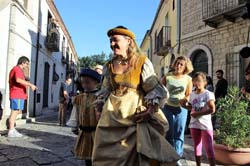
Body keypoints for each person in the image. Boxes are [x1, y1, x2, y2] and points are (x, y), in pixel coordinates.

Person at [92, 26, 179, 166]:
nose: (112, 44)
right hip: (111, 118)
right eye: (110, 41)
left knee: (138, 158)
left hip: (135, 117)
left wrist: (150, 111)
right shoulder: (109, 66)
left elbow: (154, 90)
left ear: (128, 41)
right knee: (107, 157)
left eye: (115, 40)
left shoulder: (141, 62)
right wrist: (99, 108)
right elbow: (105, 90)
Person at [161, 55, 193, 161]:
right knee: (169, 132)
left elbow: (188, 94)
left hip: (181, 108)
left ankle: (178, 157)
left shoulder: (188, 79)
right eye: (177, 63)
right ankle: (170, 155)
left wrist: (185, 99)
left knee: (179, 132)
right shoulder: (168, 76)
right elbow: (161, 89)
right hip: (167, 107)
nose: (178, 65)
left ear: (185, 67)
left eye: (181, 64)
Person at [185, 72, 216, 166]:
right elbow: (193, 107)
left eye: (199, 81)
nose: (197, 83)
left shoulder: (208, 94)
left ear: (205, 82)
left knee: (209, 148)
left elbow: (212, 109)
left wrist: (198, 113)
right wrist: (184, 106)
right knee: (197, 145)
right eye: (195, 81)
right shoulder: (192, 94)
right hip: (194, 124)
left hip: (205, 124)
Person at [72, 68, 101, 166]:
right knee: (86, 157)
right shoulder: (79, 98)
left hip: (97, 132)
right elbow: (75, 112)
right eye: (83, 82)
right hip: (84, 132)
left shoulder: (100, 97)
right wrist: (74, 125)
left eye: (88, 82)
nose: (84, 85)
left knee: (97, 156)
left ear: (96, 82)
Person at [8, 56, 37, 137]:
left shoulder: (15, 69)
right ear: (22, 63)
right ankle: (11, 130)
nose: (27, 66)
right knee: (14, 112)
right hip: (17, 95)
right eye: (27, 64)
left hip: (17, 95)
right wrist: (30, 84)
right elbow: (18, 80)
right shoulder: (17, 69)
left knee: (15, 112)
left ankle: (12, 129)